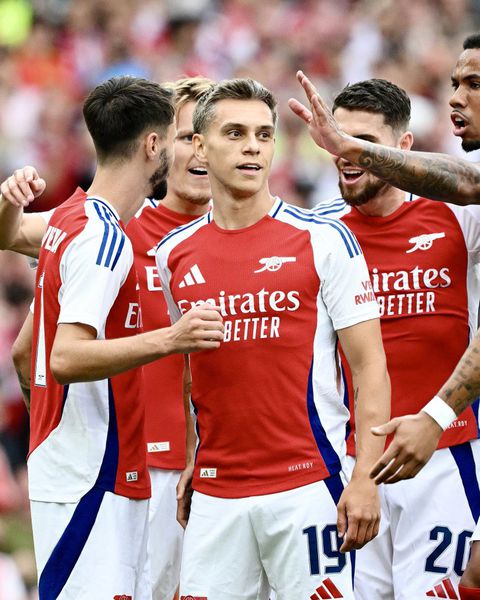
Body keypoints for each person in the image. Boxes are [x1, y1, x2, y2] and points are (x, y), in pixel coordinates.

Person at [155, 77, 390, 600]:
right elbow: (193, 367)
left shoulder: (324, 240)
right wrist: (195, 453)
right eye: (234, 133)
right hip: (216, 496)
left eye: (264, 135)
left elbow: (370, 365)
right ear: (199, 145)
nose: (252, 147)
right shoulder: (173, 254)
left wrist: (366, 477)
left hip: (310, 486)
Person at [0, 76, 216, 600]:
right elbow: (50, 353)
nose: (195, 152)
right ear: (155, 144)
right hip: (106, 466)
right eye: (184, 137)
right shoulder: (106, 232)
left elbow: (31, 355)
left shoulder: (83, 220)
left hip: (154, 466)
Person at [287, 32, 480, 600]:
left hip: (445, 456)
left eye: (363, 143)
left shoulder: (459, 219)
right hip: (350, 465)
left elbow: (468, 182)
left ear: (403, 146)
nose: (345, 155)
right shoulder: (316, 233)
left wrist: (440, 417)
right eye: (338, 141)